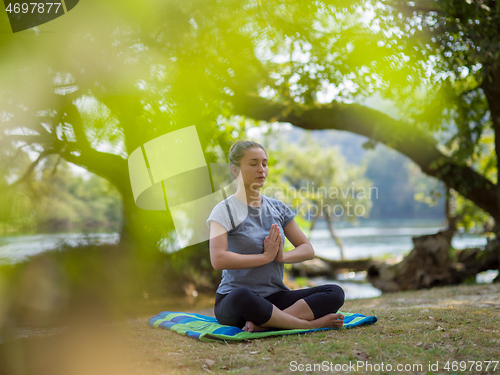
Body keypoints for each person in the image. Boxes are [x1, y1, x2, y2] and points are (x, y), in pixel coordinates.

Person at [206, 140, 345, 332]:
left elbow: (307, 249)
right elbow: (218, 259)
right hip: (237, 300)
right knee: (243, 296)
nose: (261, 169)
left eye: (264, 163)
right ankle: (309, 324)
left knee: (334, 292)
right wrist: (264, 258)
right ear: (235, 170)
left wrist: (282, 257)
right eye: (253, 164)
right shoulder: (224, 211)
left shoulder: (277, 208)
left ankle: (268, 324)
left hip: (276, 297)